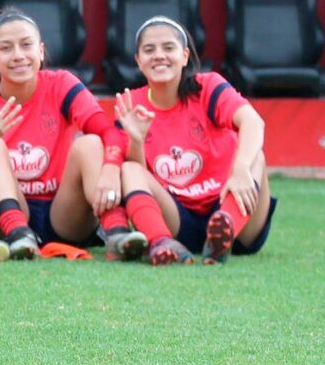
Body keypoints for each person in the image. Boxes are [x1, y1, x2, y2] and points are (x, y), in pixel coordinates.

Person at [0, 9, 130, 262]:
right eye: (6, 48)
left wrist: (112, 168)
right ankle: (19, 235)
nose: (18, 56)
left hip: (66, 213)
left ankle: (117, 232)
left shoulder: (61, 84)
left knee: (90, 143)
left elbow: (107, 131)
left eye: (26, 45)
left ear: (40, 50)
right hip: (8, 213)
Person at [111, 17, 274, 265]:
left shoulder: (208, 87)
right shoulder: (131, 104)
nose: (159, 55)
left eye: (168, 48)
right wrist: (136, 140)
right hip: (178, 219)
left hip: (233, 208)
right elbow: (138, 179)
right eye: (149, 50)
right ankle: (161, 243)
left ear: (185, 56)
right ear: (138, 61)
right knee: (129, 168)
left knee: (255, 157)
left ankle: (223, 233)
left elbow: (253, 122)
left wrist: (240, 170)